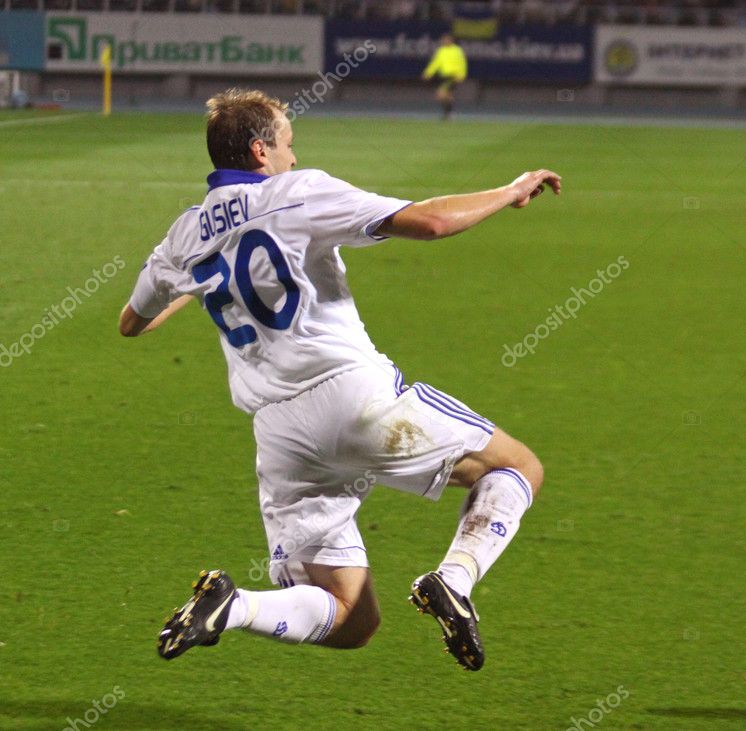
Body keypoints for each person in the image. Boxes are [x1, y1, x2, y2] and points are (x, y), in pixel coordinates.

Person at [118, 88, 561, 671]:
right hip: (353, 398)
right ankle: (454, 579)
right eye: (287, 144)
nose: (294, 158)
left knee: (351, 617)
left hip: (280, 435)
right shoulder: (297, 192)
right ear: (259, 151)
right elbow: (427, 221)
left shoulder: (185, 234)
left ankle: (233, 607)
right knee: (516, 468)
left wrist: (197, 283)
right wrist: (508, 191)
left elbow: (131, 323)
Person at [422, 34, 467, 121]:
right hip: (443, 76)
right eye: (443, 40)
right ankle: (449, 114)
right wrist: (428, 73)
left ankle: (448, 113)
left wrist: (462, 75)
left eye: (446, 40)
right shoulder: (441, 50)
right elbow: (436, 63)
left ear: (451, 40)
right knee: (448, 96)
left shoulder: (457, 50)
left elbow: (462, 63)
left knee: (440, 94)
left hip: (453, 76)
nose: (444, 41)